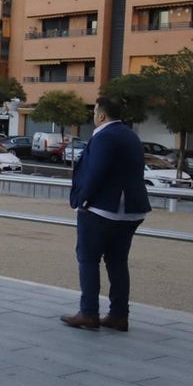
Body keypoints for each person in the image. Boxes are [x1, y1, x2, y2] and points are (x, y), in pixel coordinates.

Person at [62, 96, 151, 332]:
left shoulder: (104, 136)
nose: (93, 116)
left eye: (94, 112)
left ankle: (89, 313)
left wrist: (82, 200)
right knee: (118, 262)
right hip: (131, 210)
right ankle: (119, 315)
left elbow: (96, 171)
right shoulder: (131, 135)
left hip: (103, 209)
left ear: (101, 115)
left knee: (88, 259)